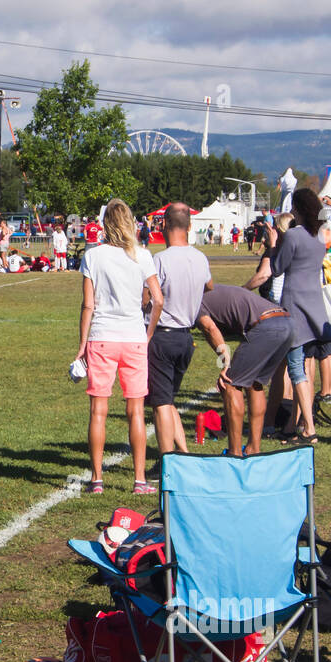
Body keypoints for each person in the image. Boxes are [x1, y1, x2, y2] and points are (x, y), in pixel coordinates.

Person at [73, 198, 164, 495]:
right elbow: (158, 299)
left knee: (98, 410)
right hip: (133, 337)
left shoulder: (94, 256)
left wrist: (82, 345)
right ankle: (139, 480)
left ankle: (97, 479)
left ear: (105, 224)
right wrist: (148, 333)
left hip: (102, 336)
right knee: (135, 411)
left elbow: (88, 304)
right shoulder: (142, 255)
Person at [196, 285, 293, 456]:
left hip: (265, 326)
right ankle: (253, 448)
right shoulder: (211, 292)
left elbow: (210, 328)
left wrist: (225, 363)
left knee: (230, 384)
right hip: (286, 323)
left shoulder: (193, 301)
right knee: (255, 384)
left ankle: (234, 452)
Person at [148, 202, 213, 456]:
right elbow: (209, 286)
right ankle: (183, 452)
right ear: (189, 226)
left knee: (161, 403)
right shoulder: (200, 257)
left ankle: (167, 460)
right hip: (187, 337)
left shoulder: (160, 259)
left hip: (163, 335)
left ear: (163, 224)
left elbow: (148, 297)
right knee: (169, 400)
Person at [271, 188, 328, 444]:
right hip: (315, 308)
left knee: (295, 369)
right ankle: (294, 425)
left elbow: (277, 268)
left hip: (294, 307)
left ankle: (309, 428)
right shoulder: (319, 238)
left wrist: (274, 244)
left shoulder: (293, 236)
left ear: (299, 208)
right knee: (304, 367)